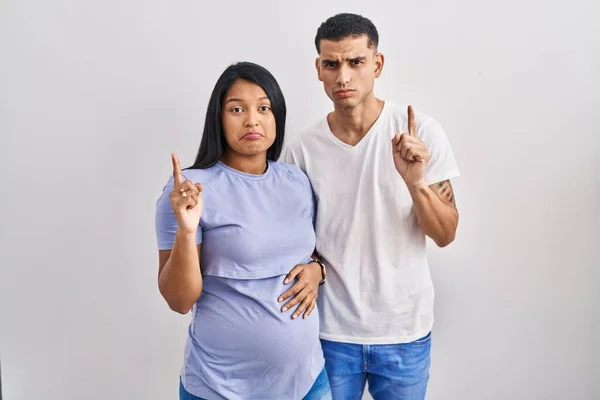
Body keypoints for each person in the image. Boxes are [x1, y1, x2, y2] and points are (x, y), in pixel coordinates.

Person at [279, 13, 461, 400]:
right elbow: (292, 240)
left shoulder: (419, 133)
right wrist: (314, 267)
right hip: (329, 333)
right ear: (319, 69)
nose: (343, 77)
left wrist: (416, 183)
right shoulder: (301, 150)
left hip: (404, 333)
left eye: (355, 62)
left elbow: (445, 234)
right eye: (332, 64)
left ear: (377, 64)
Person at [154, 61, 331, 400]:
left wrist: (317, 269)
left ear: (276, 115)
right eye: (237, 109)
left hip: (308, 382)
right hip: (220, 389)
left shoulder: (296, 181)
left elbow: (308, 249)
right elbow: (179, 300)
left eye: (263, 108)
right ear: (218, 118)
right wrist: (186, 233)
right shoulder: (189, 192)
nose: (252, 120)